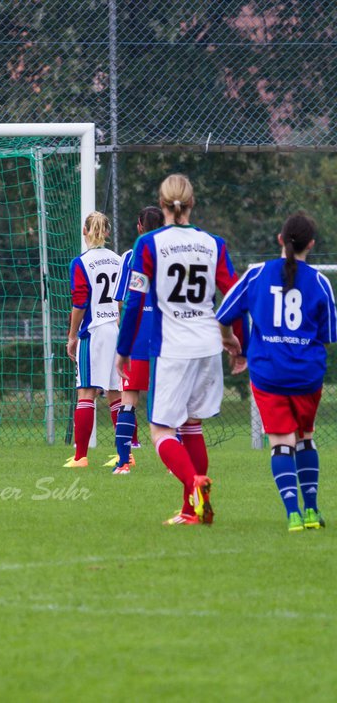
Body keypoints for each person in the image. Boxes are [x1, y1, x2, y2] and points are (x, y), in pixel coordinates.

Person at [116, 174, 241, 526]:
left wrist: (123, 349)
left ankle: (194, 485)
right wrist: (233, 339)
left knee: (161, 430)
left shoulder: (149, 243)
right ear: (191, 203)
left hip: (173, 346)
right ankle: (192, 510)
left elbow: (135, 300)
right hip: (207, 344)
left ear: (162, 201)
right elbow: (232, 295)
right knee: (192, 425)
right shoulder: (213, 243)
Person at [216, 212, 336, 532]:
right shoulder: (321, 283)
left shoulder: (256, 275)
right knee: (305, 440)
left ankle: (293, 514)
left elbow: (224, 315)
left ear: (280, 240)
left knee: (281, 443)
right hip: (307, 376)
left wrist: (232, 343)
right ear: (311, 244)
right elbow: (327, 337)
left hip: (269, 374)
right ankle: (312, 511)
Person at [64, 212, 123, 468]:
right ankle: (125, 454)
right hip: (115, 328)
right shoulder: (118, 260)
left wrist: (72, 335)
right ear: (107, 232)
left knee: (86, 391)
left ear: (84, 231)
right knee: (116, 392)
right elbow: (122, 299)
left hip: (94, 330)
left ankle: (81, 457)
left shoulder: (81, 262)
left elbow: (79, 303)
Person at [108, 206, 164, 474]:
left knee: (128, 401)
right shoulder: (171, 256)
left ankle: (123, 463)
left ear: (139, 227)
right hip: (166, 340)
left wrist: (125, 336)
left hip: (137, 339)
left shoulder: (131, 256)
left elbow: (121, 302)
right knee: (170, 403)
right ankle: (172, 464)